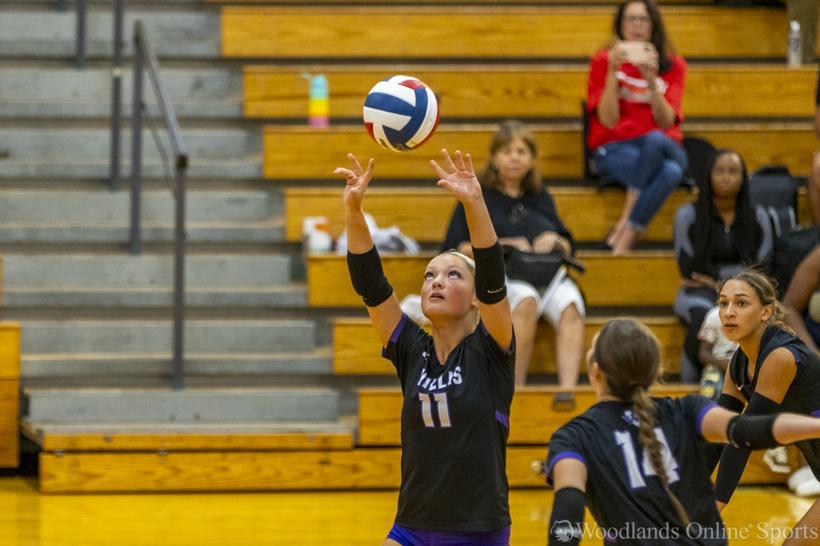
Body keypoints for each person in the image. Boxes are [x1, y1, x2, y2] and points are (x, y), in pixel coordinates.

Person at [335, 149, 515, 545]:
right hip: (412, 526)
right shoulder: (412, 350)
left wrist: (475, 203)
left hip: (477, 530)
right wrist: (354, 211)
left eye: (453, 275)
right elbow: (372, 286)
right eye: (430, 274)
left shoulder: (491, 350)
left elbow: (492, 279)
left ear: (475, 299)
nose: (437, 281)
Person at [545, 317, 820, 546]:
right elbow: (750, 429)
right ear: (654, 371)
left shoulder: (572, 436)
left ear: (595, 371)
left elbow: (567, 513)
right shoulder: (687, 409)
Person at [439, 121, 585, 401]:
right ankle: (515, 391)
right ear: (494, 158)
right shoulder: (478, 195)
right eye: (507, 151)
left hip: (546, 274)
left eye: (521, 151)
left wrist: (554, 239)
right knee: (526, 300)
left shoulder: (540, 195)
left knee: (571, 305)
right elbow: (455, 248)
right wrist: (504, 245)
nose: (514, 157)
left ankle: (567, 391)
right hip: (503, 276)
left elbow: (569, 245)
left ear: (532, 160)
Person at [713, 269, 820, 542]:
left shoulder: (780, 357)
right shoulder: (738, 364)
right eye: (723, 303)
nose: (729, 312)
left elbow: (744, 438)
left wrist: (713, 509)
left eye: (741, 303)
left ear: (766, 311)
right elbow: (717, 433)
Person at [586, 0, 688, 254]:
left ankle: (623, 221)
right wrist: (612, 72)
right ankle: (628, 236)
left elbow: (666, 122)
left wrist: (652, 81)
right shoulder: (602, 60)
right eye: (631, 19)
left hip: (664, 147)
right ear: (620, 26)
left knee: (655, 139)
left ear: (654, 25)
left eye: (643, 19)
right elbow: (608, 120)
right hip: (617, 149)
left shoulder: (674, 65)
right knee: (671, 172)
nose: (637, 25)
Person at [673, 149, 773, 383]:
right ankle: (689, 388)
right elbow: (688, 268)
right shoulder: (687, 215)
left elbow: (763, 267)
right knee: (702, 315)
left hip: (747, 290)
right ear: (708, 176)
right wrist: (726, 279)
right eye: (719, 171)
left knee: (759, 314)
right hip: (698, 292)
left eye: (733, 171)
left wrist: (717, 281)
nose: (726, 177)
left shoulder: (758, 216)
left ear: (743, 178)